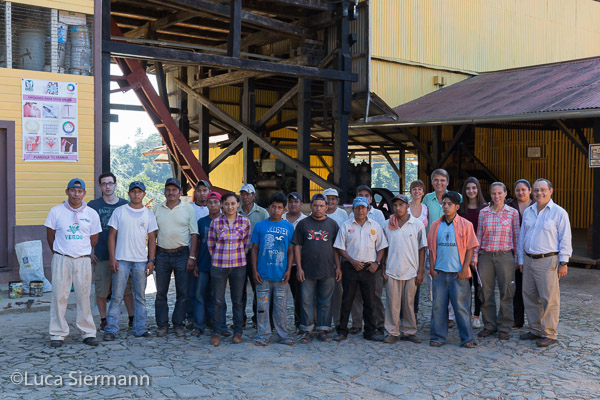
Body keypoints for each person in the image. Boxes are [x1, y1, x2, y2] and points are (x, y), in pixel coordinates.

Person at [45, 178, 102, 348]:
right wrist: (60, 251)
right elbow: (50, 235)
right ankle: (57, 333)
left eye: (79, 191)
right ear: (67, 192)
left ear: (84, 193)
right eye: (73, 190)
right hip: (62, 258)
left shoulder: (91, 213)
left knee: (84, 296)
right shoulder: (56, 211)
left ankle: (88, 332)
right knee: (59, 296)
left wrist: (81, 251)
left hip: (83, 260)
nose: (76, 194)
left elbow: (94, 239)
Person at [517, 179, 572, 347]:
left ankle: (549, 333)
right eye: (536, 190)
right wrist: (520, 259)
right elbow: (522, 236)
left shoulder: (559, 212)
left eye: (543, 190)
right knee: (530, 296)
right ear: (532, 192)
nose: (539, 193)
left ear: (551, 191)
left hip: (548, 260)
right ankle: (535, 329)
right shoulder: (528, 211)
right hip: (528, 260)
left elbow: (565, 238)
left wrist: (564, 262)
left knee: (549, 298)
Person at [104, 181, 157, 340]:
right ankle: (111, 329)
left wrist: (151, 260)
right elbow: (111, 236)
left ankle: (140, 328)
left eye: (139, 192)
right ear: (128, 194)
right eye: (133, 191)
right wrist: (112, 258)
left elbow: (152, 238)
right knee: (117, 296)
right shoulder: (120, 212)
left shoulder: (148, 214)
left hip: (141, 261)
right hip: (121, 260)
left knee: (140, 296)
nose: (136, 194)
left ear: (144, 194)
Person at [428, 191, 479, 348]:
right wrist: (432, 269)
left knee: (462, 307)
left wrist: (465, 269)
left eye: (450, 204)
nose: (446, 206)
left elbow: (470, 248)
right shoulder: (435, 225)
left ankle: (467, 339)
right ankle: (438, 336)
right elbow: (430, 248)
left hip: (458, 273)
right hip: (440, 272)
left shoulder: (466, 225)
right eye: (444, 203)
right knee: (438, 306)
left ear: (457, 207)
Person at [334, 196, 388, 342]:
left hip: (368, 268)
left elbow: (382, 247)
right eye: (357, 208)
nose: (360, 210)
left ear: (368, 209)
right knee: (347, 300)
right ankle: (342, 331)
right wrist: (352, 261)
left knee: (369, 301)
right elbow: (339, 247)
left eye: (363, 208)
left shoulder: (375, 226)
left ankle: (370, 331)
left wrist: (377, 263)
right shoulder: (346, 225)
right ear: (353, 209)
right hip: (350, 267)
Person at [472, 182, 520, 341]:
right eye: (494, 193)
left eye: (500, 193)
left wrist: (517, 259)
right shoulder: (484, 213)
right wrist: (475, 256)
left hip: (505, 256)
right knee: (485, 291)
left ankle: (504, 326)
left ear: (505, 194)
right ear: (490, 195)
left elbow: (517, 237)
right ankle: (489, 325)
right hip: (486, 256)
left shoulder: (512, 213)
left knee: (506, 291)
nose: (497, 196)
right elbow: (478, 236)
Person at [153, 178, 199, 338]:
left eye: (174, 189)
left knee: (183, 292)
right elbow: (152, 235)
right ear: (164, 191)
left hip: (182, 254)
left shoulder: (188, 209)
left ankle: (179, 324)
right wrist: (151, 258)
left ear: (180, 192)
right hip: (162, 254)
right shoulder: (157, 209)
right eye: (168, 189)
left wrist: (192, 257)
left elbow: (194, 234)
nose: (171, 192)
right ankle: (162, 325)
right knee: (161, 293)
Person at [293, 193, 341, 343]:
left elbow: (336, 248)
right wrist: (299, 268)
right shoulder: (303, 224)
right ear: (311, 206)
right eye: (315, 205)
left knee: (325, 301)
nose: (318, 209)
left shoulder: (332, 224)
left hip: (327, 270)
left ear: (326, 207)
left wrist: (338, 267)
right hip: (307, 271)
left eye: (321, 206)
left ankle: (323, 329)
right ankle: (307, 330)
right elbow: (297, 247)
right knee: (306, 301)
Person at [88, 172, 133, 331]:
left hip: (123, 255)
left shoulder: (125, 205)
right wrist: (89, 250)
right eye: (104, 184)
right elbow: (86, 229)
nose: (107, 186)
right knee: (102, 289)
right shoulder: (93, 205)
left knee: (127, 288)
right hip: (101, 254)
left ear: (115, 185)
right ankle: (104, 319)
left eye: (110, 183)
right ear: (100, 186)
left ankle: (132, 318)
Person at [382, 194, 427, 344]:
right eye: (395, 205)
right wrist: (383, 267)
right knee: (392, 303)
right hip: (392, 269)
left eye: (401, 205)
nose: (398, 208)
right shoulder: (387, 224)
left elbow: (422, 248)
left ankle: (409, 331)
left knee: (409, 303)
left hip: (411, 270)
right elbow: (384, 248)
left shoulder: (417, 224)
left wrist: (420, 271)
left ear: (407, 206)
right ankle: (392, 331)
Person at [251, 192, 295, 346]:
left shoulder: (288, 227)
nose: (276, 210)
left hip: (281, 275)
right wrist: (255, 270)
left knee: (281, 308)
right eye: (273, 207)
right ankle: (263, 336)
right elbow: (254, 250)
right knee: (262, 307)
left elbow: (291, 252)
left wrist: (289, 270)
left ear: (284, 209)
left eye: (279, 208)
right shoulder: (260, 226)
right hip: (263, 275)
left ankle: (283, 335)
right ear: (269, 208)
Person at [208, 192, 251, 346]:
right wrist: (220, 257)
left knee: (238, 301)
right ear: (222, 205)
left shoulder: (245, 222)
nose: (230, 207)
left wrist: (237, 257)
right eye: (226, 204)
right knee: (218, 300)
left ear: (238, 204)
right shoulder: (216, 222)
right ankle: (216, 332)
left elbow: (246, 244)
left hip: (239, 266)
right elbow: (211, 244)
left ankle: (237, 332)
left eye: (233, 204)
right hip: (219, 266)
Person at [422, 168, 461, 328]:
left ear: (447, 182)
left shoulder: (455, 197)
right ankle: (439, 313)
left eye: (442, 180)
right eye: (436, 180)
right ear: (432, 182)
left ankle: (450, 316)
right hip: (432, 245)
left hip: (450, 245)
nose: (439, 183)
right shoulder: (427, 199)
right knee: (434, 280)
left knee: (451, 279)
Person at [347, 185, 386, 335]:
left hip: (373, 263)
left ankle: (379, 323)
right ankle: (357, 323)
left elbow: (382, 241)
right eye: (360, 194)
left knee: (375, 294)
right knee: (356, 295)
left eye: (367, 195)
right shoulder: (351, 216)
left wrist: (379, 263)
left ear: (371, 198)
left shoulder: (378, 215)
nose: (364, 197)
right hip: (355, 263)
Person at [193, 192, 229, 338]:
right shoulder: (201, 222)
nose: (213, 205)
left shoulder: (226, 221)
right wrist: (194, 261)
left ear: (220, 204)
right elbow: (196, 243)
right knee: (199, 295)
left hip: (220, 266)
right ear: (206, 205)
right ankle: (199, 325)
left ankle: (221, 325)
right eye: (210, 202)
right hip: (203, 264)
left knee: (219, 297)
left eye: (216, 202)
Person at [238, 183, 269, 328]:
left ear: (254, 196)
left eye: (248, 194)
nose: (245, 197)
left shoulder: (262, 213)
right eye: (243, 194)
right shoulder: (235, 211)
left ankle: (257, 318)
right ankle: (241, 318)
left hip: (256, 254)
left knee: (258, 286)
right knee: (239, 288)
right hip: (238, 255)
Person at [458, 177, 487, 329]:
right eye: (468, 188)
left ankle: (476, 315)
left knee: (479, 286)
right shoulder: (460, 208)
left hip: (480, 252)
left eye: (474, 188)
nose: (471, 191)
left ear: (478, 189)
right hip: (463, 252)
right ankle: (465, 314)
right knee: (464, 286)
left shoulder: (484, 208)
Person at [506, 179, 534, 328]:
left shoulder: (537, 206)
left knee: (530, 289)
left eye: (523, 189)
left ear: (530, 191)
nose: (520, 192)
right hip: (513, 251)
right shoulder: (510, 206)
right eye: (518, 190)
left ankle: (534, 321)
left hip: (531, 251)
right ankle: (517, 319)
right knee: (515, 288)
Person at [186, 179, 212, 329]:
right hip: (192, 252)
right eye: (199, 190)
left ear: (209, 192)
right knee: (192, 287)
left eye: (205, 190)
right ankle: (191, 317)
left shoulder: (216, 209)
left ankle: (208, 317)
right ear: (195, 192)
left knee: (210, 289)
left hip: (211, 254)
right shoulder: (189, 208)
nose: (202, 193)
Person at [323, 188, 349, 331]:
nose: (330, 201)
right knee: (321, 293)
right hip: (322, 259)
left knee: (338, 293)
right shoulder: (319, 212)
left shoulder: (342, 214)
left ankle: (338, 321)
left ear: (337, 201)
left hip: (337, 259)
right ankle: (321, 322)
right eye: (328, 198)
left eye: (333, 199)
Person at [283, 192, 307, 330]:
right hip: (280, 264)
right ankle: (274, 323)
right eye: (290, 201)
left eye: (296, 201)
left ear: (301, 204)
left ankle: (299, 323)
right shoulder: (279, 218)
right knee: (276, 296)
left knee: (299, 297)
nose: (293, 204)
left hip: (298, 265)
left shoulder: (306, 221)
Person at [406, 179, 429, 321]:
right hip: (406, 247)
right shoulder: (405, 207)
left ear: (423, 192)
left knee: (417, 279)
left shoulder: (425, 208)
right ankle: (403, 311)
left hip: (420, 247)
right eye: (414, 189)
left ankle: (414, 311)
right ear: (410, 191)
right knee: (404, 279)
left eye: (420, 189)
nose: (417, 192)